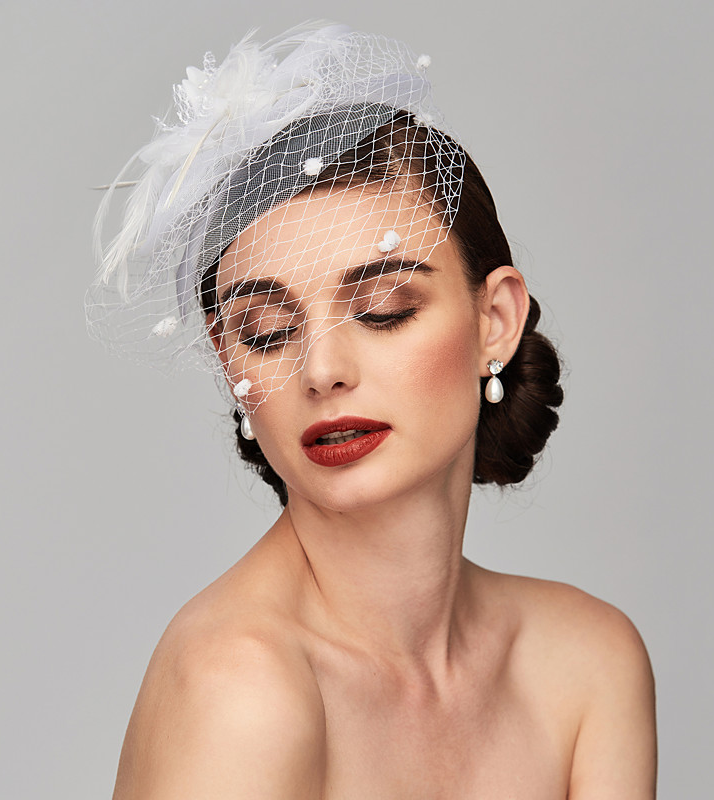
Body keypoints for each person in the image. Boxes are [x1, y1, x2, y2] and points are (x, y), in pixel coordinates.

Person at [88, 22, 657, 799]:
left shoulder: (587, 664)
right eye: (267, 331)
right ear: (227, 360)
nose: (321, 371)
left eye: (384, 310)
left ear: (495, 320)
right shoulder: (240, 688)